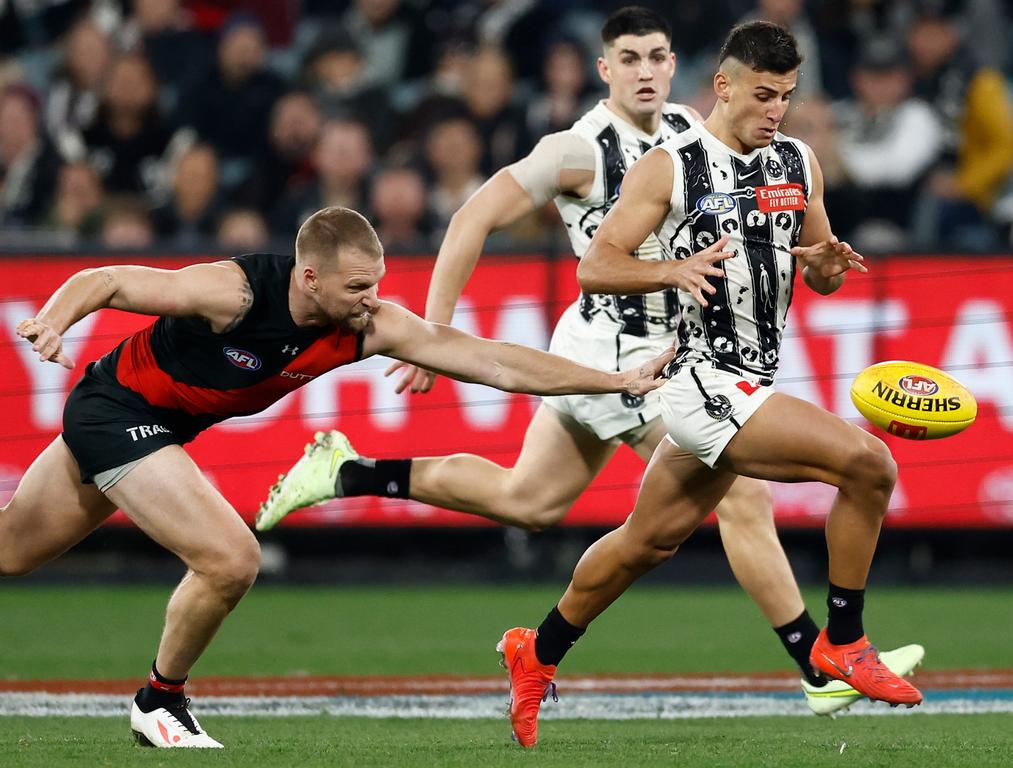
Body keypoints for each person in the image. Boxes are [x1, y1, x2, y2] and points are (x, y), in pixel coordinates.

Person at [255, 7, 922, 720]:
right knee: (785, 486)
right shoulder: (584, 150)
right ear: (609, 69)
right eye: (629, 57)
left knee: (565, 514)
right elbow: (476, 218)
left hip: (692, 357)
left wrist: (820, 264)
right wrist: (435, 335)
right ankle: (823, 659)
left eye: (657, 56)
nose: (645, 70)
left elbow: (799, 253)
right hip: (631, 359)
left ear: (679, 69)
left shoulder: (739, 147)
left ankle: (516, 630)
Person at [3, 206, 669, 749]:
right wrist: (54, 321)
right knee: (230, 558)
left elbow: (493, 362)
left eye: (375, 282)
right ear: (309, 276)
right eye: (356, 287)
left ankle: (160, 702)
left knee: (12, 551)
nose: (370, 299)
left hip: (153, 426)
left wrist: (612, 381)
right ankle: (160, 703)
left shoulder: (368, 324)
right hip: (113, 411)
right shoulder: (233, 291)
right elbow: (109, 279)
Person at [497, 20, 924, 748]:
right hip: (699, 386)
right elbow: (597, 266)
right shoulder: (671, 166)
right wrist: (671, 269)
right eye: (764, 95)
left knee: (644, 543)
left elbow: (815, 263)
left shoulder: (797, 162)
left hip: (751, 381)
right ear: (723, 86)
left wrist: (825, 267)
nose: (777, 111)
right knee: (868, 463)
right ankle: (843, 642)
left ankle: (534, 652)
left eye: (786, 96)